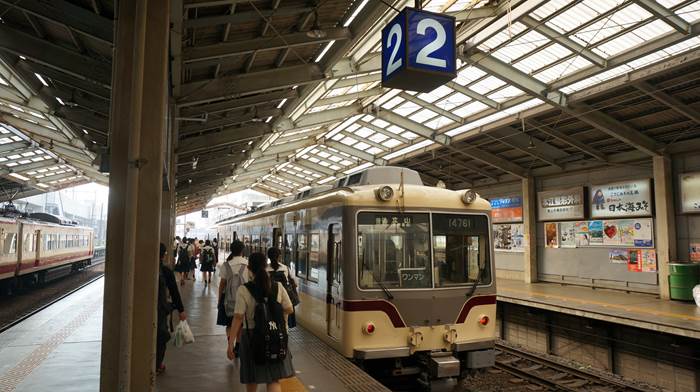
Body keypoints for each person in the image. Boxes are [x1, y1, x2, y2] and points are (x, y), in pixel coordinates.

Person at [227, 252, 294, 392]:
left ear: (249, 268)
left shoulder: (243, 290)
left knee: (252, 378)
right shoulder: (278, 287)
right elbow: (289, 309)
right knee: (273, 379)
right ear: (266, 266)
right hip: (275, 335)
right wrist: (274, 316)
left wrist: (230, 344)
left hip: (252, 337)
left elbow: (238, 318)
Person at [157, 243, 186, 375]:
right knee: (161, 336)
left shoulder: (141, 268)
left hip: (146, 311)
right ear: (163, 255)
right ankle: (157, 364)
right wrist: (181, 310)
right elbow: (174, 292)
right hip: (161, 310)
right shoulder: (166, 271)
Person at [218, 240, 249, 354]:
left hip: (227, 299)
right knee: (240, 322)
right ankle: (238, 346)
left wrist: (219, 300)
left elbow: (222, 284)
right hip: (244, 298)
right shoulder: (247, 264)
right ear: (242, 250)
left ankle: (230, 342)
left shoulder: (226, 265)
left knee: (229, 323)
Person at [266, 247, 299, 328]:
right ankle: (283, 335)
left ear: (268, 257)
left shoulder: (265, 269)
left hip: (269, 300)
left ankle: (273, 333)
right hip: (284, 299)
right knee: (285, 322)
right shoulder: (285, 268)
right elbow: (295, 283)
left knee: (271, 321)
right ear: (279, 256)